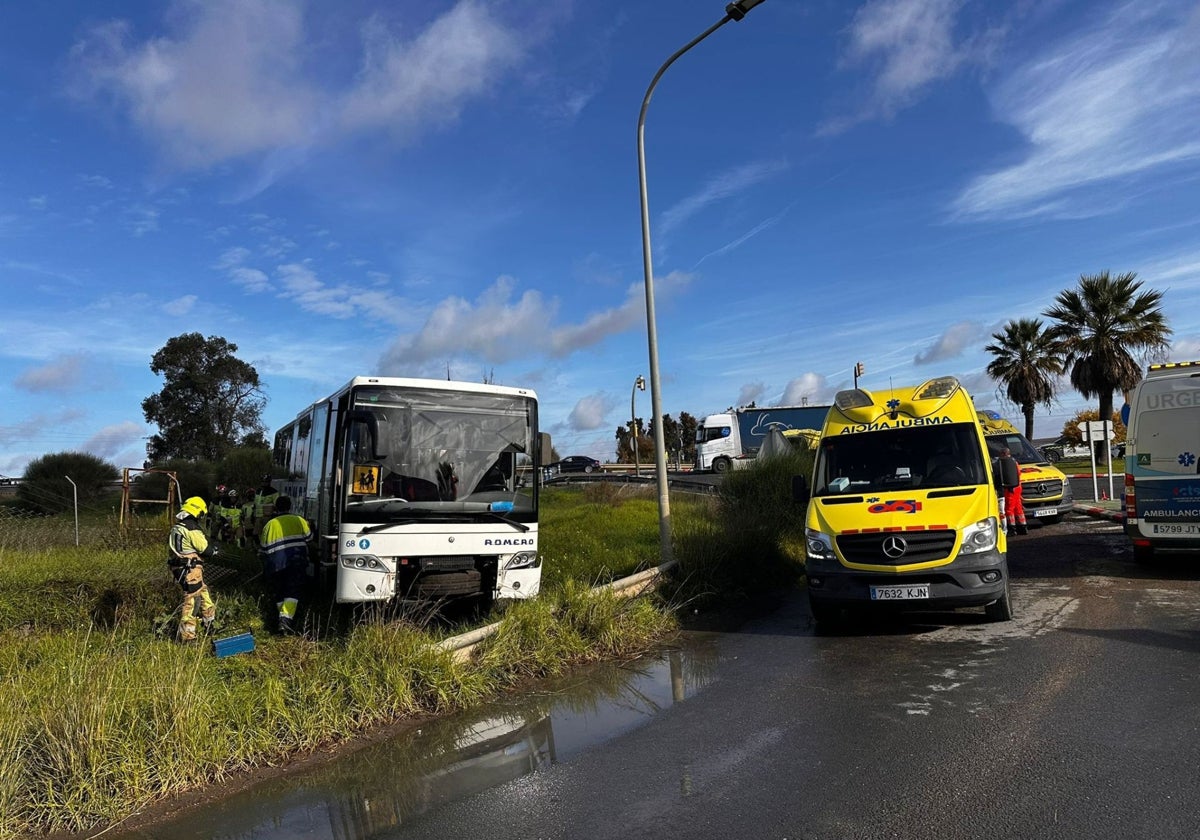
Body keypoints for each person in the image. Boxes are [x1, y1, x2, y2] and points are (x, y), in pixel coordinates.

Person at [259, 494, 312, 634]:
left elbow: (263, 548)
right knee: (292, 591)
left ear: (276, 508)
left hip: (275, 566)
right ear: (290, 507)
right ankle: (285, 621)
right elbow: (310, 537)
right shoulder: (299, 520)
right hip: (296, 562)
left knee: (280, 592)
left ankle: (281, 617)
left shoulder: (269, 524)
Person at [168, 496, 218, 642]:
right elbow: (206, 550)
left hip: (179, 567)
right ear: (197, 512)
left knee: (203, 594)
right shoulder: (192, 528)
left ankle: (210, 624)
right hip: (191, 568)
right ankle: (187, 636)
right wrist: (215, 550)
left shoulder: (177, 527)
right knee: (192, 600)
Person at [994, 447, 1027, 535]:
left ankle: (1012, 528)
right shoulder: (1014, 462)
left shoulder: (1004, 463)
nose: (999, 456)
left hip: (1010, 488)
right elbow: (1019, 473)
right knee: (1018, 508)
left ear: (1004, 454)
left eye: (1000, 454)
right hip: (1018, 487)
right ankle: (1023, 527)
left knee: (1009, 509)